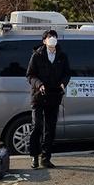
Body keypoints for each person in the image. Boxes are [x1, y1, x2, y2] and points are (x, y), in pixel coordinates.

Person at [26, 29, 70, 169]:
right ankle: (34, 156)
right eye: (49, 37)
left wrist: (64, 82)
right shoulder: (37, 55)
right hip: (39, 96)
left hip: (55, 96)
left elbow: (67, 73)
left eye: (54, 37)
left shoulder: (62, 56)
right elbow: (30, 75)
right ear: (44, 40)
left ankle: (46, 158)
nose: (52, 39)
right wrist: (39, 84)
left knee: (50, 129)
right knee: (37, 126)